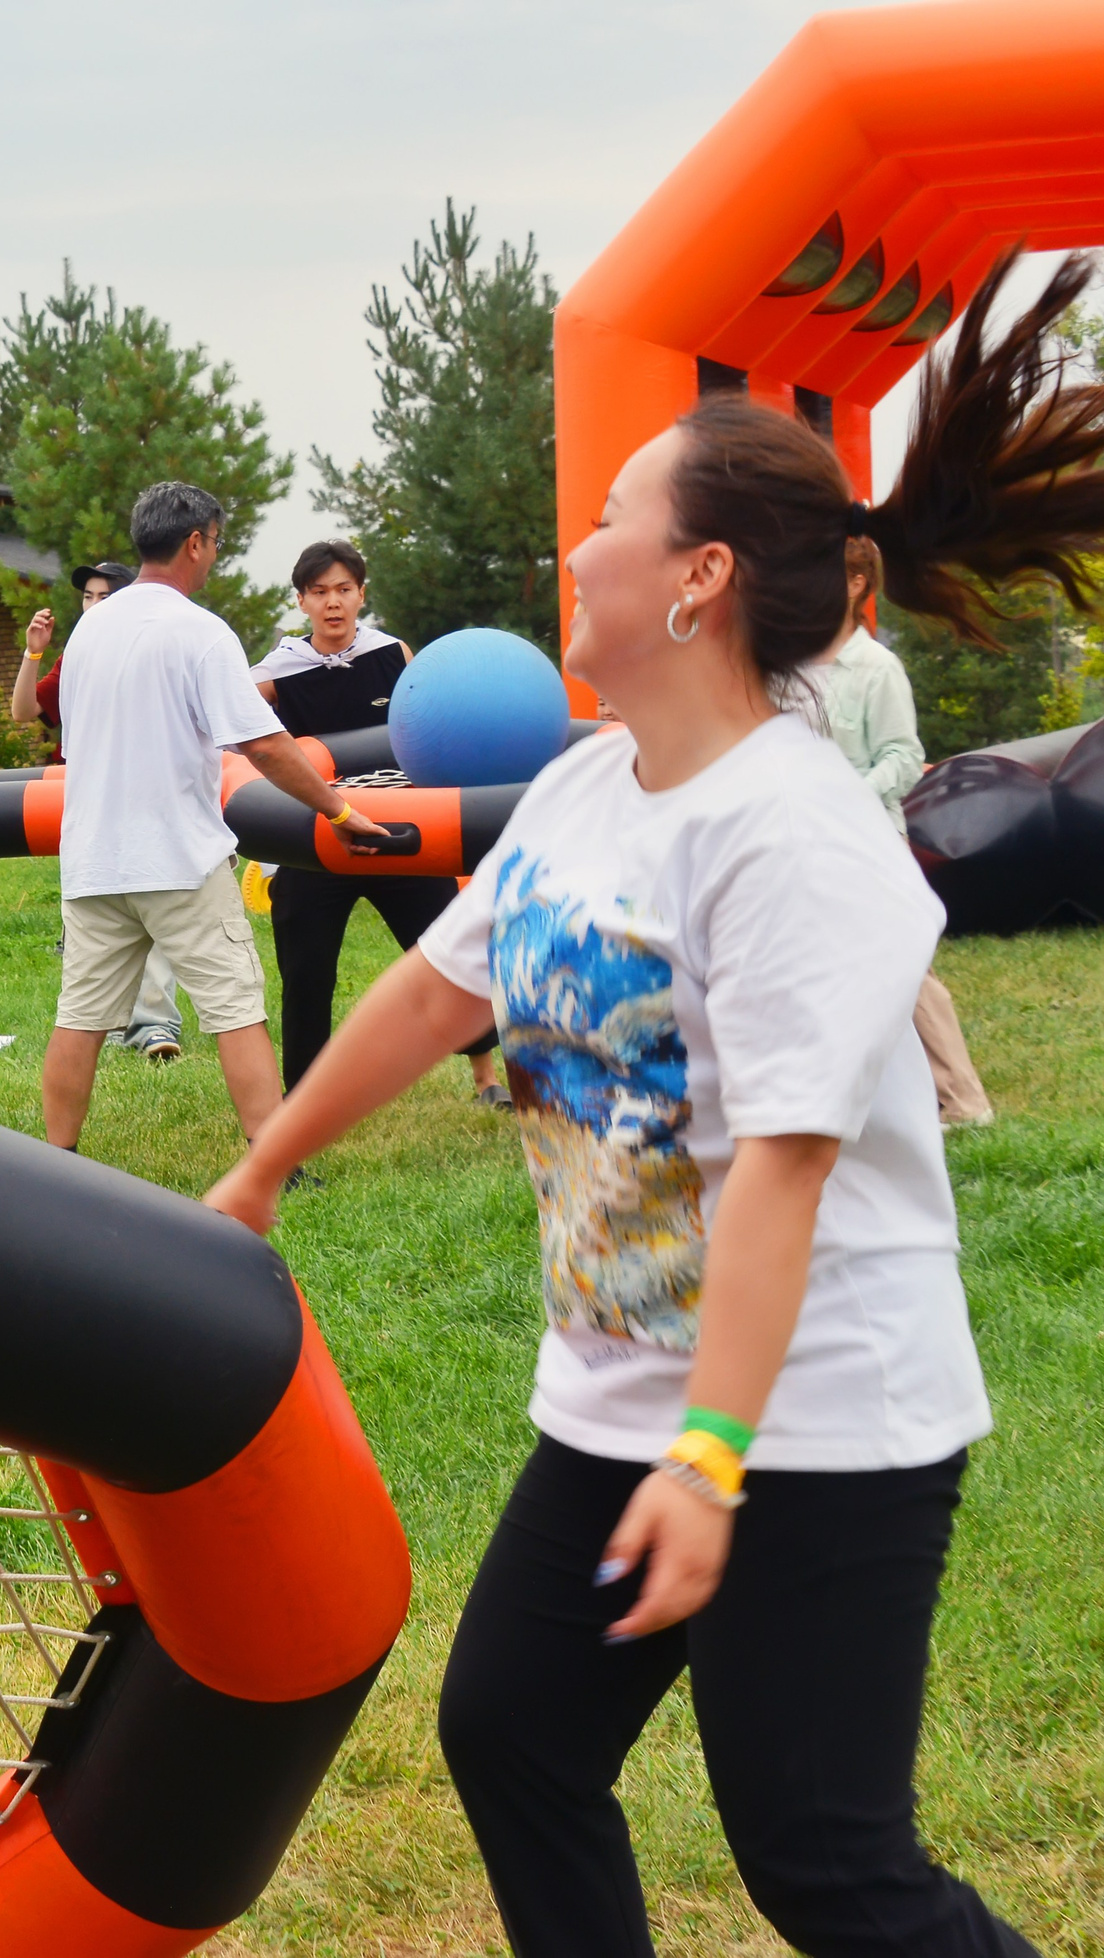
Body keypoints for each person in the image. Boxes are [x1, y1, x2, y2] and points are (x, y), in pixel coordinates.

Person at [207, 248, 1104, 1957]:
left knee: (824, 1858)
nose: (577, 547)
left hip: (810, 1421)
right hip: (620, 1392)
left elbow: (782, 1172)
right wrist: (262, 1171)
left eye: (610, 517)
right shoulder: (586, 786)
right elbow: (434, 990)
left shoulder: (797, 835)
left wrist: (713, 1456)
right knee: (515, 1733)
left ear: (700, 578)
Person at [45, 481, 392, 1154]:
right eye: (217, 542)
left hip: (92, 859)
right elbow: (264, 745)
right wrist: (339, 810)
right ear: (196, 542)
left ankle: (57, 1161)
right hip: (179, 859)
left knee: (80, 1018)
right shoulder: (200, 632)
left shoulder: (91, 628)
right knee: (237, 1012)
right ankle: (275, 1162)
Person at [250, 540, 507, 1106]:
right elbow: (241, 737)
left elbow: (433, 730)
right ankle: (304, 1102)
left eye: (344, 589)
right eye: (320, 592)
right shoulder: (274, 673)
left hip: (400, 832)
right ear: (301, 601)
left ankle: (487, 1078)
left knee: (450, 953)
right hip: (318, 838)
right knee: (306, 975)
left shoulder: (394, 654)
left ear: (361, 594)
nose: (333, 602)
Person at [813, 539, 994, 1126]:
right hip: (802, 843)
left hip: (868, 842)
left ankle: (963, 1101)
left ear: (856, 585)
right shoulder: (786, 665)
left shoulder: (876, 669)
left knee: (905, 968)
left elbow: (903, 755)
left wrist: (850, 796)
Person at [16, 559, 188, 1060]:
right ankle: (106, 1022)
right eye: (87, 597)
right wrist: (33, 652)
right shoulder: (75, 657)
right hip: (89, 804)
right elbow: (24, 711)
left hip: (149, 798)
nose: (93, 606)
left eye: (104, 597)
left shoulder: (153, 650)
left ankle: (154, 1024)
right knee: (97, 914)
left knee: (154, 901)